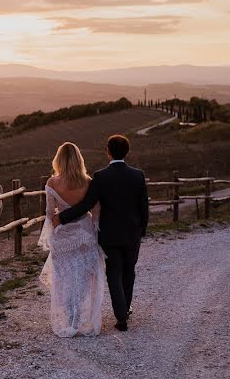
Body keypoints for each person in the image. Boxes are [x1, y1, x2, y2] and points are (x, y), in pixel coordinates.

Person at [53, 134, 148, 331]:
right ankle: (125, 309)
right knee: (129, 272)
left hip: (109, 235)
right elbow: (143, 207)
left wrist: (62, 217)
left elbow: (87, 205)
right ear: (127, 151)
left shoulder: (100, 176)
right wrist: (142, 229)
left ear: (108, 151)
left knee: (113, 274)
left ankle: (121, 317)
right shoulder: (137, 175)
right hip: (132, 234)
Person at [38, 142, 106, 337]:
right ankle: (80, 315)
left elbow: (50, 213)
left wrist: (56, 227)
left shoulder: (52, 183)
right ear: (79, 160)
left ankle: (69, 316)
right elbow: (96, 210)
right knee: (84, 277)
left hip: (63, 236)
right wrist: (94, 230)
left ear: (58, 160)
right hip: (84, 234)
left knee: (64, 278)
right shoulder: (88, 182)